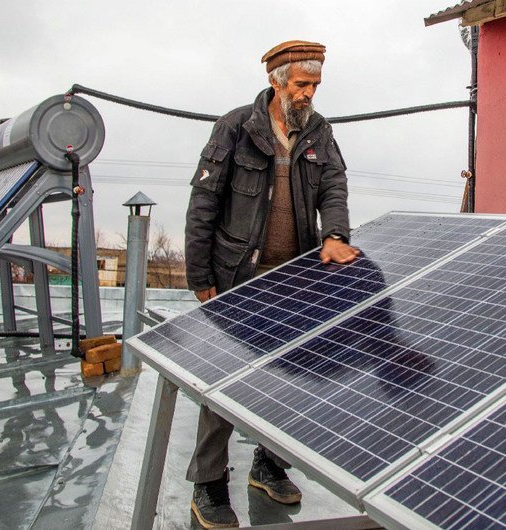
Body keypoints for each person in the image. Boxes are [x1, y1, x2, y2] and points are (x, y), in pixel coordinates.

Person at [182, 39, 361, 529]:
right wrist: (200, 277)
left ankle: (268, 464)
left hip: (294, 278)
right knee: (223, 384)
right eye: (302, 84)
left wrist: (336, 234)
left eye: (316, 85)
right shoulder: (236, 126)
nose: (309, 94)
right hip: (236, 277)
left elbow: (334, 185)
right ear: (275, 81)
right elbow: (203, 203)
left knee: (287, 378)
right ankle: (209, 484)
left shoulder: (319, 131)